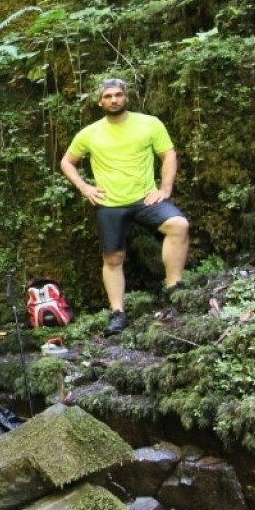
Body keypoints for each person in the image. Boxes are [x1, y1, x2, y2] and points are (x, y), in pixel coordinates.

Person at [59, 78, 190, 336]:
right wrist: (85, 188)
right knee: (113, 258)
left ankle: (175, 288)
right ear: (100, 102)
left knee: (178, 225)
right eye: (108, 96)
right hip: (109, 203)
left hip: (144, 199)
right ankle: (117, 312)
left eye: (118, 95)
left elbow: (168, 155)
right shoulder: (89, 133)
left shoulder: (150, 124)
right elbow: (67, 161)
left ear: (126, 98)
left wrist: (164, 189)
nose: (113, 100)